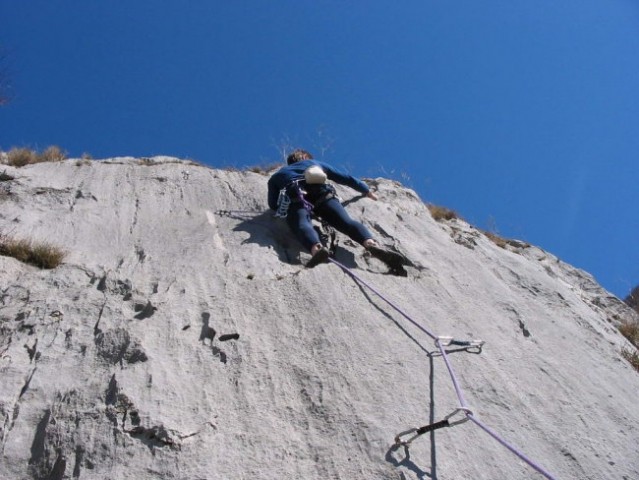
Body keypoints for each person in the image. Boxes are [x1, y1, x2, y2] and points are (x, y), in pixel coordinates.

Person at [267, 148, 406, 270]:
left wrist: (283, 208)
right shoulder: (315, 164)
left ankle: (317, 249)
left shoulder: (277, 176)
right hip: (323, 195)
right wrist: (366, 191)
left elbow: (273, 204)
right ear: (306, 157)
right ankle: (370, 243)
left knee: (301, 224)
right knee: (346, 222)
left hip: (297, 197)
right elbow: (346, 178)